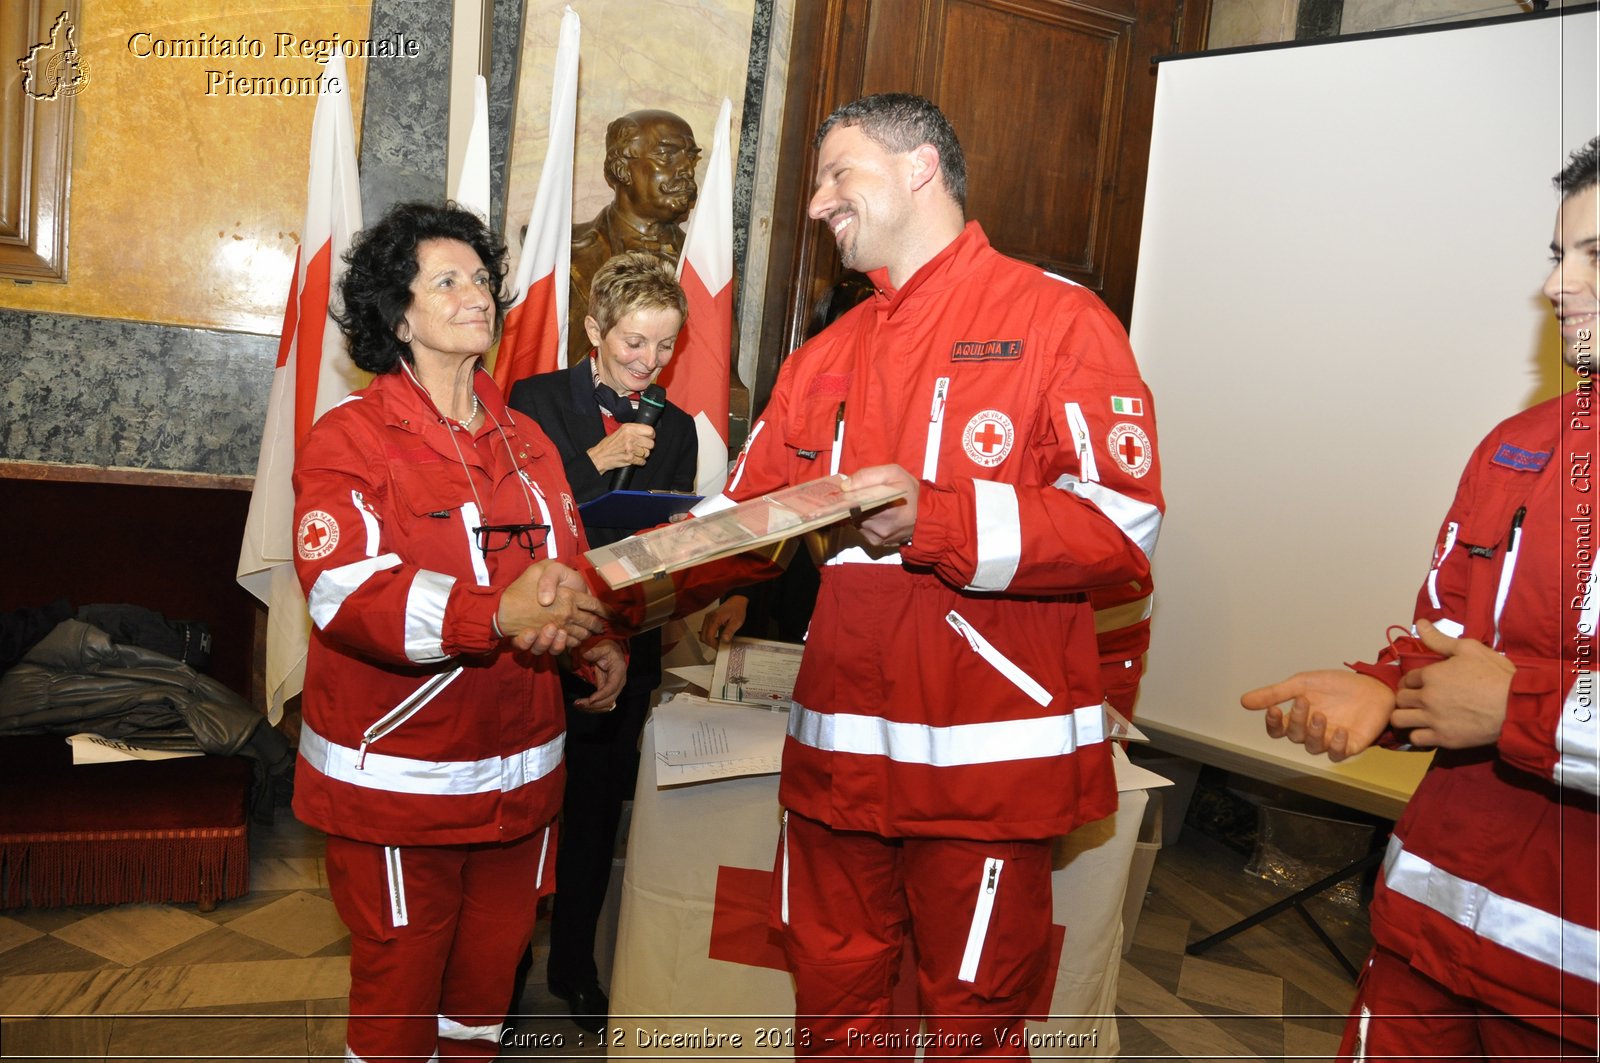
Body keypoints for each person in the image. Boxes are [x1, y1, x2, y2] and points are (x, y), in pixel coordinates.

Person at [675, 93, 1164, 1055]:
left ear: (919, 168)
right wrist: (598, 590)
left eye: (836, 174)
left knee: (972, 1025)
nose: (816, 203)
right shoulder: (823, 353)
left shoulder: (1060, 319)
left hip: (981, 761)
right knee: (835, 1012)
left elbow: (1120, 527)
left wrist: (935, 518)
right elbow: (739, 519)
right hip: (835, 763)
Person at [1241, 139, 1600, 1060]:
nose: (1559, 285)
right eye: (1557, 255)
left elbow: (1503, 697)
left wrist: (1518, 708)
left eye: (1594, 256)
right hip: (1427, 939)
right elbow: (1453, 647)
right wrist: (1386, 693)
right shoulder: (1517, 445)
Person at [290, 201, 626, 1061]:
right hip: (404, 787)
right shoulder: (350, 440)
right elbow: (347, 593)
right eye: (447, 281)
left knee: (481, 1004)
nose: (476, 293)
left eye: (480, 278)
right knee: (400, 1007)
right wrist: (493, 614)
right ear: (397, 316)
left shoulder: (530, 443)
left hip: (523, 784)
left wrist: (593, 638)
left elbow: (566, 571)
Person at [506, 251, 697, 1032]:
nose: (649, 363)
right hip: (537, 641)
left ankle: (575, 968)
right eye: (633, 345)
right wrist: (598, 459)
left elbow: (661, 545)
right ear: (594, 330)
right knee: (523, 819)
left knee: (591, 817)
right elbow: (521, 519)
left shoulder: (678, 426)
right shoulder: (533, 398)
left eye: (664, 348)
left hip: (624, 638)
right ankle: (503, 974)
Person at [567, 110, 700, 364]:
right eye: (666, 155)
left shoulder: (708, 269)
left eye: (690, 158)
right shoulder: (566, 251)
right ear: (621, 169)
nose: (686, 170)